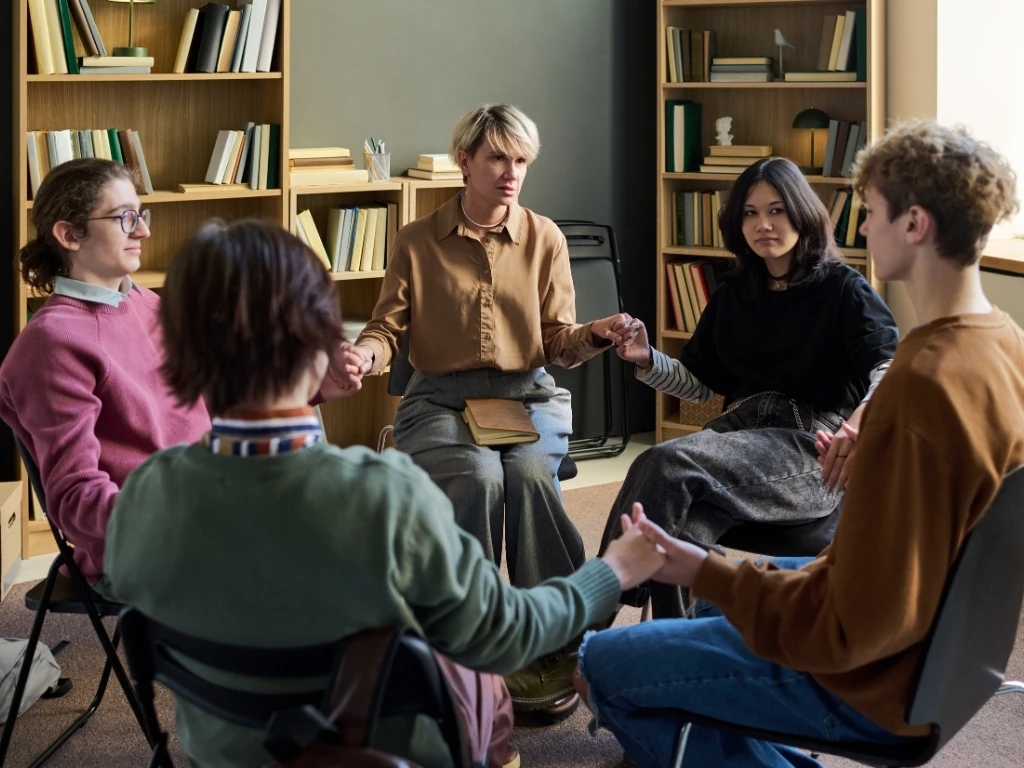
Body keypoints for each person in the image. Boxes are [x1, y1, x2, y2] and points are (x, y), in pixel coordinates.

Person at [101, 219, 666, 768]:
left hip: (220, 754)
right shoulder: (383, 495)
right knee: (477, 682)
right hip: (370, 751)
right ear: (318, 337)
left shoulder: (146, 491)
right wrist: (613, 569)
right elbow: (505, 634)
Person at [576, 120, 1024, 768]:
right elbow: (872, 583)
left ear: (916, 224)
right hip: (928, 652)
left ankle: (592, 625)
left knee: (599, 665)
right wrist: (715, 579)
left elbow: (855, 622)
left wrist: (718, 576)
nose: (863, 230)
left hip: (870, 679)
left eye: (869, 213)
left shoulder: (915, 388)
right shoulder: (1001, 342)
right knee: (704, 587)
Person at [345, 104, 638, 717]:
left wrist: (598, 332)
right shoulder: (417, 240)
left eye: (522, 160)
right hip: (439, 399)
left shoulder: (546, 237)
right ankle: (466, 638)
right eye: (498, 157)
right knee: (476, 476)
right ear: (465, 161)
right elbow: (385, 329)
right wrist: (364, 358)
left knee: (529, 474)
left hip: (526, 394)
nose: (511, 172)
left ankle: (555, 635)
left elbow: (558, 341)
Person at [0, 158, 361, 596]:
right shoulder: (52, 343)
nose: (143, 231)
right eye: (125, 218)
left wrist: (316, 387)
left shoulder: (144, 304)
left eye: (141, 215)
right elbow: (76, 498)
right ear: (69, 234)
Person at [598, 156, 899, 619]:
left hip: (810, 448)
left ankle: (592, 611)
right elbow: (700, 386)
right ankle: (675, 649)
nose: (763, 224)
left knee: (661, 460)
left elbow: (891, 367)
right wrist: (647, 359)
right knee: (681, 524)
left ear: (803, 212)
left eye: (777, 210)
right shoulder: (733, 293)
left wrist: (859, 426)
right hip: (738, 436)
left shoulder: (844, 288)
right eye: (750, 213)